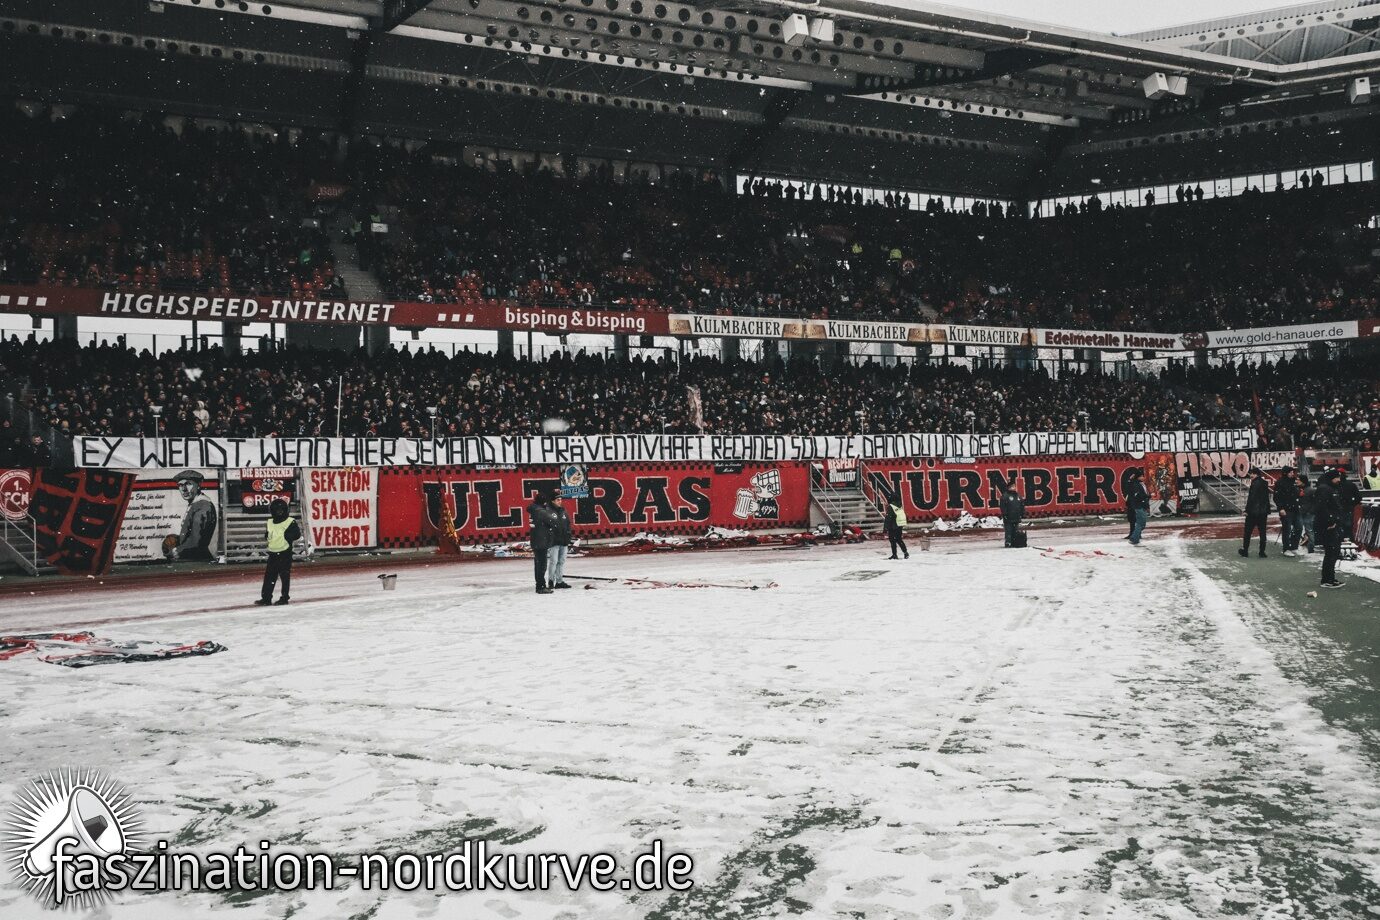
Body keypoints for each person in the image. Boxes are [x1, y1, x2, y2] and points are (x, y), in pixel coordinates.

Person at [255, 498, 300, 606]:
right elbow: (269, 534)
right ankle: (266, 598)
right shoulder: (270, 522)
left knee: (284, 577)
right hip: (273, 552)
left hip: (285, 553)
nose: (279, 512)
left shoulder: (290, 521)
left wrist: (287, 536)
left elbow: (297, 534)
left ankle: (284, 598)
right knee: (269, 576)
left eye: (281, 510)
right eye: (277, 510)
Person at [168, 469, 218, 562]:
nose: (184, 489)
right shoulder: (195, 504)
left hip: (198, 559)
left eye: (188, 484)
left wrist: (175, 551)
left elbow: (196, 541)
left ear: (198, 485)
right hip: (193, 557)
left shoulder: (203, 506)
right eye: (180, 485)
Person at [1314, 468, 1345, 588]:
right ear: (1332, 478)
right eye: (1337, 477)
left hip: (1332, 525)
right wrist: (1330, 521)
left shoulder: (1329, 489)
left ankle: (1330, 578)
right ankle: (1327, 579)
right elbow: (1321, 507)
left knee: (1333, 552)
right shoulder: (1325, 489)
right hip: (1328, 526)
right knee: (1331, 552)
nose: (1339, 480)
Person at [528, 487, 558, 594]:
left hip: (536, 540)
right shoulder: (540, 512)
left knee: (538, 564)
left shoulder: (533, 510)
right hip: (541, 541)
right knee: (542, 565)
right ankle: (541, 586)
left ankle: (540, 585)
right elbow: (554, 521)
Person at [1239, 466, 1271, 558]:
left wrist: (1247, 510)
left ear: (1256, 474)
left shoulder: (1254, 484)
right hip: (1263, 512)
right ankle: (1262, 552)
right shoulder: (1264, 483)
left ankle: (1245, 551)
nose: (1250, 475)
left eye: (1252, 474)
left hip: (1253, 512)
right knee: (1262, 533)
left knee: (1248, 532)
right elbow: (1265, 499)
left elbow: (1251, 499)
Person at [1273, 466, 1302, 557]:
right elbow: (1276, 497)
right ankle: (1286, 548)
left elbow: (1297, 493)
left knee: (1299, 527)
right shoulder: (1280, 483)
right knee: (1287, 529)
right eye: (1291, 472)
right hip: (1286, 510)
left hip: (1295, 508)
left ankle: (1294, 547)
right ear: (1286, 473)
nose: (1292, 473)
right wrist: (1281, 508)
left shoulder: (1294, 482)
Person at [546, 493, 572, 589]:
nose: (560, 501)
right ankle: (551, 581)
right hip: (554, 542)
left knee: (561, 561)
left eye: (560, 499)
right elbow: (547, 526)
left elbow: (568, 524)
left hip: (564, 541)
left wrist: (568, 535)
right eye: (558, 500)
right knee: (554, 561)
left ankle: (559, 581)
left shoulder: (563, 511)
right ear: (553, 501)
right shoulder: (548, 511)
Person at [1125, 468, 1150, 545]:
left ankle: (1135, 536)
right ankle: (1134, 538)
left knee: (1141, 523)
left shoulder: (1142, 484)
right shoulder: (1136, 484)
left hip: (1142, 505)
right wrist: (1146, 496)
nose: (1143, 477)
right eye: (1142, 476)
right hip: (1139, 506)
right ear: (1138, 477)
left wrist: (1148, 497)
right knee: (1140, 523)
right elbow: (1138, 495)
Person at [883, 494, 909, 560]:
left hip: (893, 525)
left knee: (892, 540)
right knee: (899, 539)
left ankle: (894, 554)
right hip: (899, 524)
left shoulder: (891, 506)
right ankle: (905, 552)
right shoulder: (899, 505)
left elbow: (888, 518)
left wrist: (885, 528)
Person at [999, 481, 1025, 548]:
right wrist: (1004, 514)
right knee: (1008, 531)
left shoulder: (1018, 495)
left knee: (1015, 531)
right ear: (1009, 487)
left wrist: (1022, 513)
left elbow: (1021, 505)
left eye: (1014, 486)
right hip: (1009, 517)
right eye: (1012, 486)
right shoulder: (1005, 496)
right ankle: (1008, 543)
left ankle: (1015, 542)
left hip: (1016, 517)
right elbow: (1003, 506)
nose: (1014, 487)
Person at [1298, 474, 1317, 553]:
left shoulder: (1310, 490)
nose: (1297, 481)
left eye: (1298, 480)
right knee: (1307, 530)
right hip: (1302, 512)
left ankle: (1311, 547)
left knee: (1309, 530)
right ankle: (1308, 545)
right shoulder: (1300, 490)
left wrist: (1311, 511)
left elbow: (1315, 502)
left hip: (1308, 513)